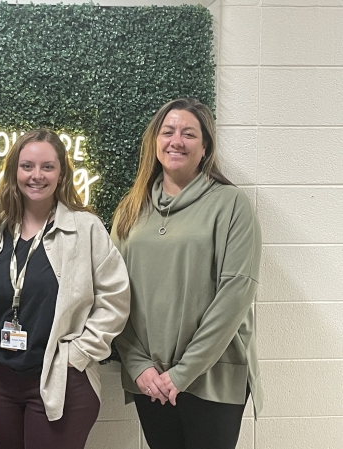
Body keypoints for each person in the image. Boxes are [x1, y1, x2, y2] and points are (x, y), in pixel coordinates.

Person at [0, 129, 130, 449]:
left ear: (61, 173)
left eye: (47, 167)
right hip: (1, 385)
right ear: (14, 172)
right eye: (27, 166)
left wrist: (78, 354)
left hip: (60, 379)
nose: (37, 175)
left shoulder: (84, 228)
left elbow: (115, 298)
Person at [111, 98, 263, 449]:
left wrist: (182, 373)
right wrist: (137, 364)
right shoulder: (131, 209)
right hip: (149, 378)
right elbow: (112, 294)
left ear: (205, 146)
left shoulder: (230, 204)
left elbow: (236, 294)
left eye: (189, 133)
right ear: (155, 141)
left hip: (213, 377)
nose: (176, 140)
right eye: (168, 131)